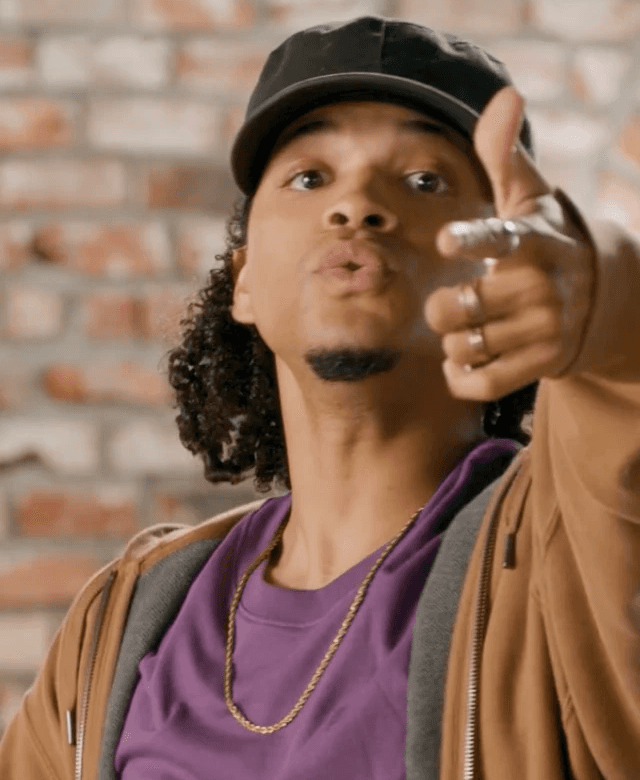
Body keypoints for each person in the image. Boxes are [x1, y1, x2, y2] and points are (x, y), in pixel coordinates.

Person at [1, 15, 639, 780]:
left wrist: (604, 293)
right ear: (243, 279)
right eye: (310, 177)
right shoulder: (125, 619)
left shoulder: (572, 547)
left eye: (425, 180)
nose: (357, 204)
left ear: (497, 264)